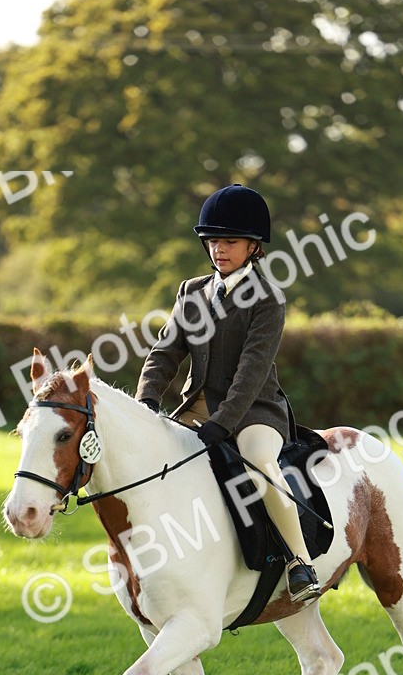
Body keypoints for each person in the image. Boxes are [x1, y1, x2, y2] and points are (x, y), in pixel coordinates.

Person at [135, 183, 322, 603]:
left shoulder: (268, 299)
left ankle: (299, 562)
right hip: (198, 408)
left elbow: (251, 373)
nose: (219, 249)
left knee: (258, 463)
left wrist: (223, 423)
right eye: (213, 241)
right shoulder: (191, 291)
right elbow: (165, 351)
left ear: (254, 246)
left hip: (254, 411)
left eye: (230, 241)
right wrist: (147, 398)